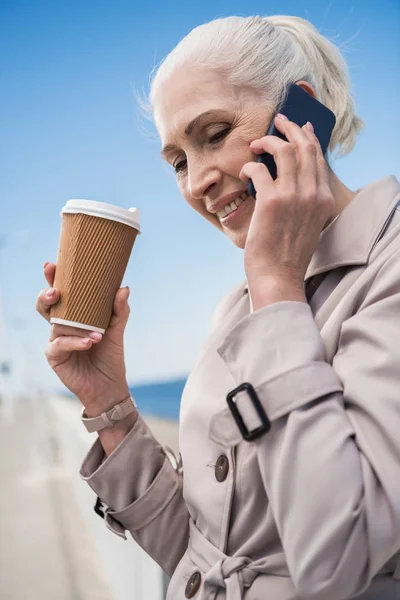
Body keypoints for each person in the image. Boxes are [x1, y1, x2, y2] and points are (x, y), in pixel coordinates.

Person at [36, 14, 400, 600]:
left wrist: (277, 287)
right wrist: (109, 405)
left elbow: (342, 562)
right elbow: (204, 555)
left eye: (214, 133)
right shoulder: (239, 307)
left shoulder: (380, 269)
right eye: (178, 161)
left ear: (301, 113)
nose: (197, 181)